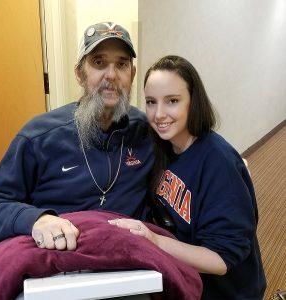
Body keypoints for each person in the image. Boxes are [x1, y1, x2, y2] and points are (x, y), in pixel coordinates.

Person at [108, 55, 266, 299]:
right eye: (151, 102)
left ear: (193, 102)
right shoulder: (164, 146)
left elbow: (221, 260)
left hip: (224, 293)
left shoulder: (219, 162)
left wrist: (154, 241)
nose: (158, 114)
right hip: (183, 279)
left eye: (172, 101)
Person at [0, 22, 154, 251]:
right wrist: (36, 219)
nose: (112, 75)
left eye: (122, 64)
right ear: (79, 73)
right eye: (99, 62)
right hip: (54, 264)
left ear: (132, 74)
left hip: (128, 266)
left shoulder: (148, 133)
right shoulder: (39, 137)